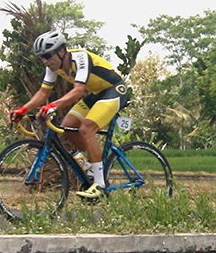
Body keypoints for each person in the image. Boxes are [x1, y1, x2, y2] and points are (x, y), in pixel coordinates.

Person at [9, 31, 130, 201]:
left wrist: (52, 106)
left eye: (48, 55)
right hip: (97, 93)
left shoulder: (80, 58)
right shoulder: (52, 66)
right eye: (41, 57)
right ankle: (91, 167)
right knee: (68, 126)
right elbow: (43, 92)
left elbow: (78, 90)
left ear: (62, 51)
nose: (45, 61)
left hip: (114, 90)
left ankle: (100, 185)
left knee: (87, 128)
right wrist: (22, 110)